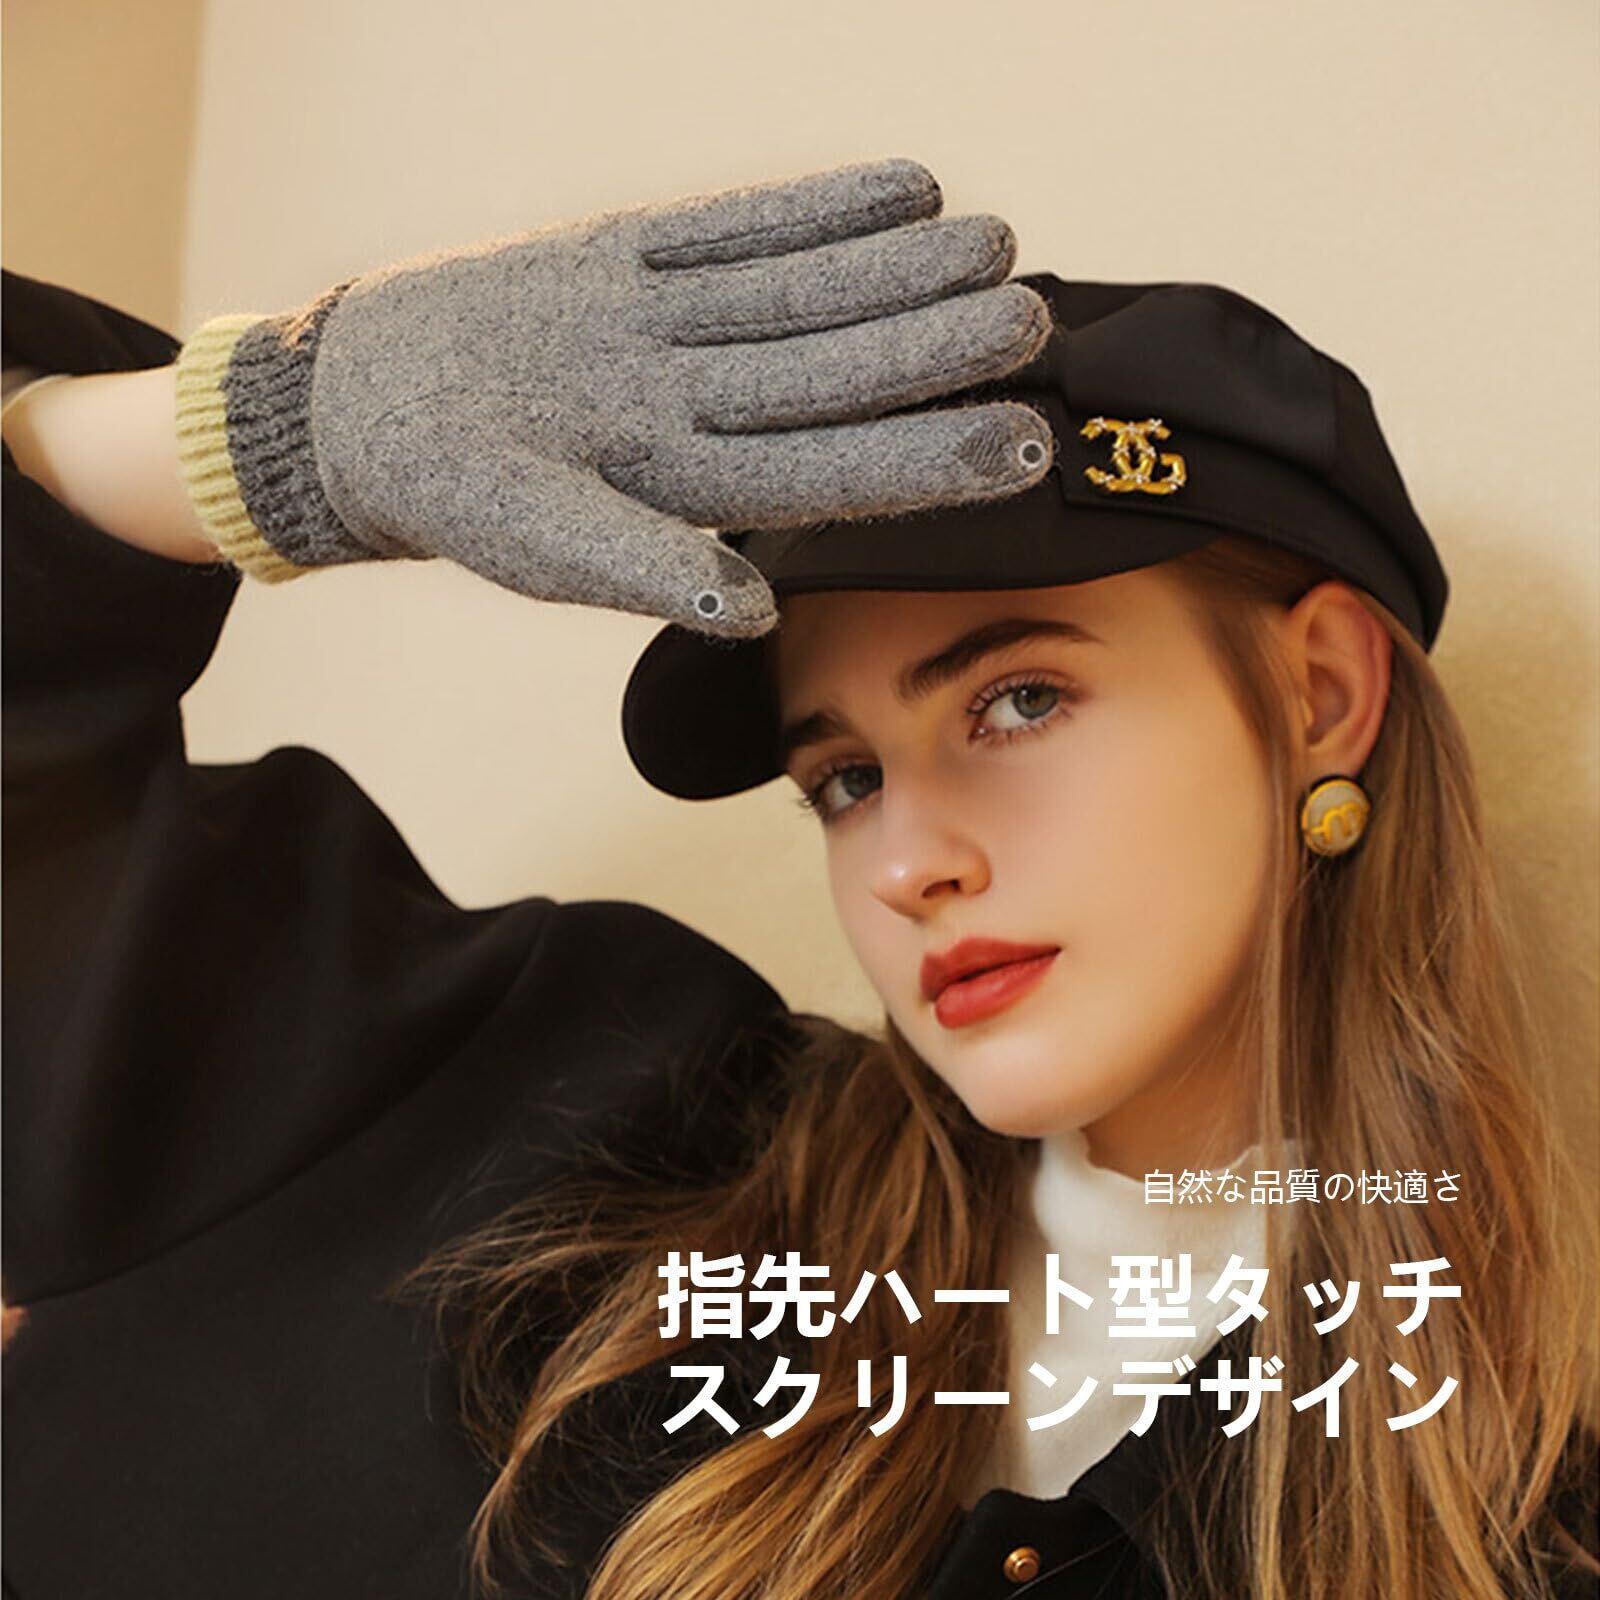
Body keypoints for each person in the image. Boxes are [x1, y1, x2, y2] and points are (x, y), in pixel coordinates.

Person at [2, 157, 1594, 1600]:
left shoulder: (1528, 1520)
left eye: (1016, 701)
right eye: (843, 778)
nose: (904, 865)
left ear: (1319, 693)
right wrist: (274, 435)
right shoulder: (601, 1129)